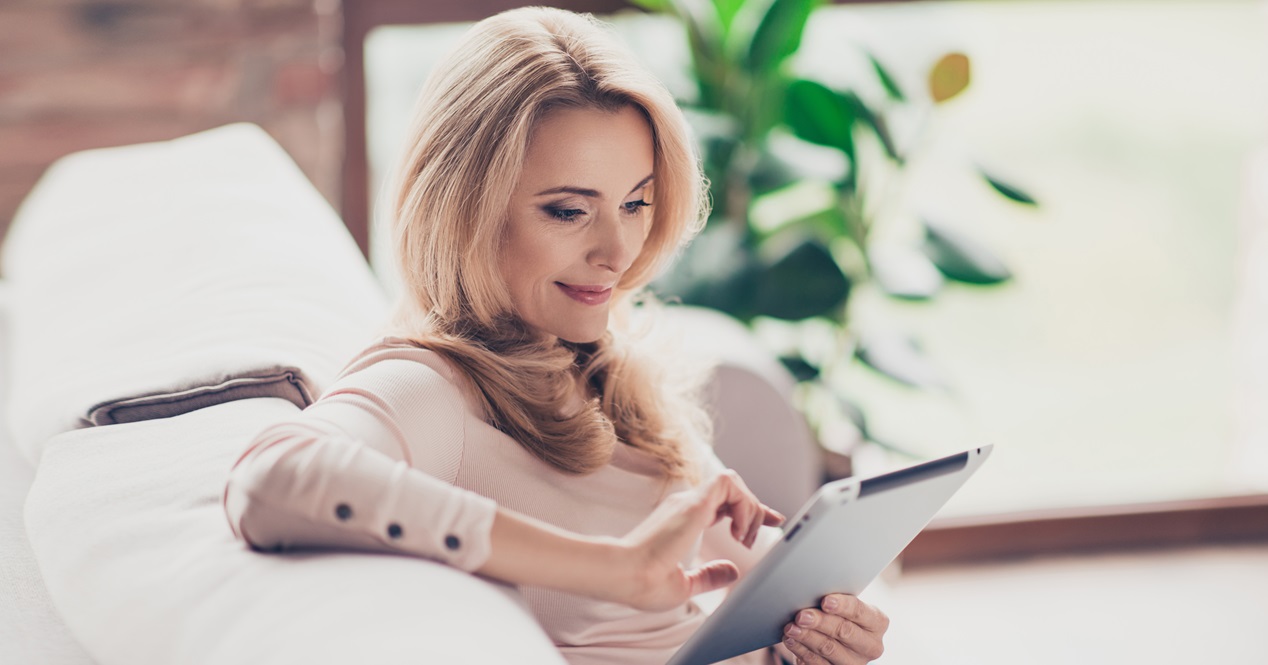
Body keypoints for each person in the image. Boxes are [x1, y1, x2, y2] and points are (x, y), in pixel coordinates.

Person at [222, 6, 888, 664]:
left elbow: (749, 582)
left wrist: (814, 639)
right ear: (464, 210)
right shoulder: (433, 386)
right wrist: (609, 567)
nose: (617, 250)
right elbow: (270, 478)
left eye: (635, 203)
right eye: (569, 210)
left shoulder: (604, 368)